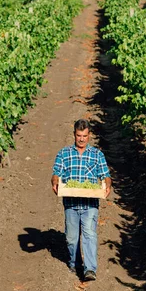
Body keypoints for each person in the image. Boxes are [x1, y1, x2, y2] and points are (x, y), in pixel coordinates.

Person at [51, 119, 112, 281]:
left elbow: (106, 175)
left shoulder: (97, 154)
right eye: (79, 135)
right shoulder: (64, 153)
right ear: (74, 135)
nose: (82, 139)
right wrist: (55, 181)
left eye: (85, 136)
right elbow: (56, 172)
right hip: (71, 203)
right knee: (71, 238)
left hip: (90, 204)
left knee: (89, 235)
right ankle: (75, 263)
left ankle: (90, 269)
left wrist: (107, 185)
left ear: (89, 136)